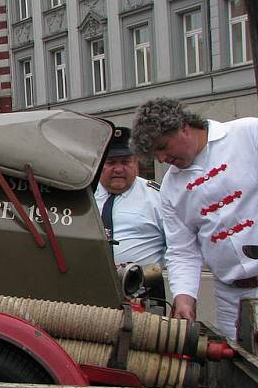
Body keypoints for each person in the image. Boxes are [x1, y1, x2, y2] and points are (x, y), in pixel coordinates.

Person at [130, 97, 258, 340]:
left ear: (184, 128)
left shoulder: (247, 134)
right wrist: (184, 298)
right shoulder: (170, 188)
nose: (161, 159)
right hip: (231, 296)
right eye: (154, 153)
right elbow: (182, 250)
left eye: (163, 146)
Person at [95, 127, 166, 269]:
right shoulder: (84, 197)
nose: (119, 169)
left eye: (125, 162)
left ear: (136, 162)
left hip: (143, 287)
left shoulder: (158, 197)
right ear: (99, 164)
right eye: (111, 162)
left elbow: (178, 248)